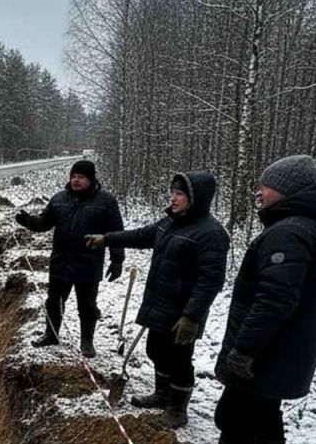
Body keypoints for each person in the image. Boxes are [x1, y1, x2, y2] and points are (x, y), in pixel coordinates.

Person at [180, 155, 316, 444]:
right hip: (288, 350)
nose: (259, 192)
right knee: (267, 414)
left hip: (267, 351)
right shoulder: (314, 227)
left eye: (265, 186)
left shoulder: (289, 232)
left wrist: (244, 350)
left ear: (285, 190)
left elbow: (274, 300)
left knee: (236, 416)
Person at [86, 171, 229, 428]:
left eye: (180, 194)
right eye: (172, 193)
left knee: (180, 360)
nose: (173, 199)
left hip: (183, 311)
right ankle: (162, 394)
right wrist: (107, 239)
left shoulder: (211, 234)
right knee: (156, 350)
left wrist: (191, 316)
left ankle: (177, 408)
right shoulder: (170, 223)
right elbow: (141, 235)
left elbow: (211, 281)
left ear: (196, 198)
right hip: (160, 303)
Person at [14, 160, 125, 357]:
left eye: (80, 177)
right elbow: (44, 223)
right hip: (60, 262)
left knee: (87, 306)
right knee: (54, 301)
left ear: (90, 179)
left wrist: (117, 260)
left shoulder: (106, 202)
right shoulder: (59, 199)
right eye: (73, 176)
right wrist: (29, 221)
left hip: (88, 264)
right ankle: (51, 334)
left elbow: (116, 231)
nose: (75, 180)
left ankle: (87, 342)